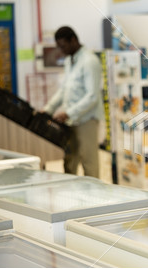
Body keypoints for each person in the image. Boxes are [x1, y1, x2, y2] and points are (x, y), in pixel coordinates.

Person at [43, 26, 104, 178]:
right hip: (71, 120)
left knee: (89, 162)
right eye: (59, 47)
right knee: (70, 160)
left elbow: (92, 96)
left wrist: (68, 113)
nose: (61, 50)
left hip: (86, 119)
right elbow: (64, 89)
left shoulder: (89, 61)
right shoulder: (70, 61)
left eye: (63, 46)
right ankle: (72, 198)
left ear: (73, 40)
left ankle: (96, 198)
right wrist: (48, 109)